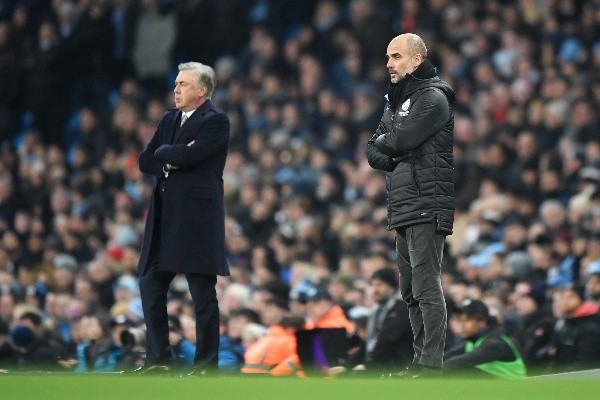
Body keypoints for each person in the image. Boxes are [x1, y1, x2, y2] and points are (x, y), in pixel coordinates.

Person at [366, 33, 455, 374]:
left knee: (426, 285)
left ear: (416, 60)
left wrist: (393, 145)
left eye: (396, 56)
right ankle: (419, 360)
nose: (389, 63)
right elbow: (373, 150)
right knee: (408, 290)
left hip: (426, 200)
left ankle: (431, 365)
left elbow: (400, 138)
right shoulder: (395, 99)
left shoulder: (433, 97)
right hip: (402, 203)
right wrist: (394, 157)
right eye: (389, 57)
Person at [136, 62, 230, 375]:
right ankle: (158, 359)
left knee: (202, 293)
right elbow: (145, 160)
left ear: (202, 90)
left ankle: (206, 365)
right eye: (176, 84)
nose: (176, 89)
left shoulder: (216, 121)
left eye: (183, 84)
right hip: (165, 217)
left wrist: (167, 153)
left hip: (196, 219)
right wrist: (169, 154)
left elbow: (191, 156)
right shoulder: (168, 119)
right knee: (150, 283)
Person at [444, 299, 527, 379]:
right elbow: (445, 358)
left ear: (482, 322)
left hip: (514, 390)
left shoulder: (495, 343)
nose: (461, 325)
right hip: (497, 389)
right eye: (459, 319)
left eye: (467, 320)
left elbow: (457, 363)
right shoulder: (473, 342)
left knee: (460, 370)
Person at [365, 268, 413, 370]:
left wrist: (367, 364)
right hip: (382, 365)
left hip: (400, 368)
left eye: (379, 285)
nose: (375, 289)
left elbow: (386, 338)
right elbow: (371, 340)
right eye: (373, 285)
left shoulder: (403, 308)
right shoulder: (376, 311)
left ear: (391, 287)